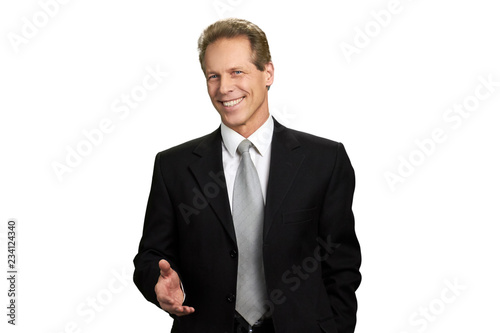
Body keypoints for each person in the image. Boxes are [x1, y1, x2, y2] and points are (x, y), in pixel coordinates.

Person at [133, 18, 361, 333]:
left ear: (267, 73)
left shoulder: (324, 160)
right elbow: (151, 256)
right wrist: (158, 285)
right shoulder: (173, 166)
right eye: (214, 76)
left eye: (237, 72)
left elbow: (342, 265)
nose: (224, 88)